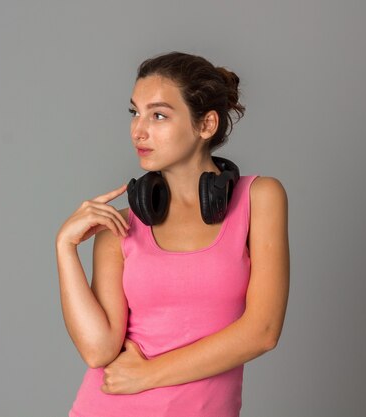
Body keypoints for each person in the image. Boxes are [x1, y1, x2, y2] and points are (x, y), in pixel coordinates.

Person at [55, 51, 289, 417]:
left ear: (206, 124)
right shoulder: (120, 225)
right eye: (135, 112)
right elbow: (99, 351)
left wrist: (148, 375)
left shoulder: (260, 199)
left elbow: (263, 330)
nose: (139, 130)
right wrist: (65, 248)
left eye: (159, 115)